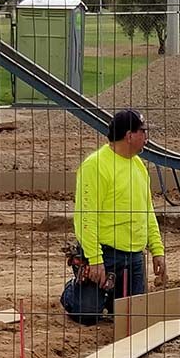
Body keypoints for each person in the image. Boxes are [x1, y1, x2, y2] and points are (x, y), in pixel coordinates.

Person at [72, 109, 167, 308]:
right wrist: (95, 258)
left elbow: (147, 212)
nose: (147, 138)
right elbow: (86, 217)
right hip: (106, 253)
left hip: (134, 256)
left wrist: (157, 250)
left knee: (132, 313)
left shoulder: (139, 166)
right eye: (143, 131)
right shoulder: (95, 166)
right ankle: (76, 290)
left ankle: (109, 295)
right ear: (129, 135)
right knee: (87, 313)